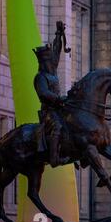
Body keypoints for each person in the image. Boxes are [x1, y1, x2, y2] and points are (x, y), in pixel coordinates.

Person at [33, 21, 70, 168]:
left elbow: (57, 50)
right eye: (49, 60)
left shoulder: (52, 71)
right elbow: (43, 93)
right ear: (43, 62)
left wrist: (59, 34)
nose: (53, 62)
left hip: (60, 108)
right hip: (49, 111)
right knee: (58, 127)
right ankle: (54, 158)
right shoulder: (40, 77)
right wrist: (58, 99)